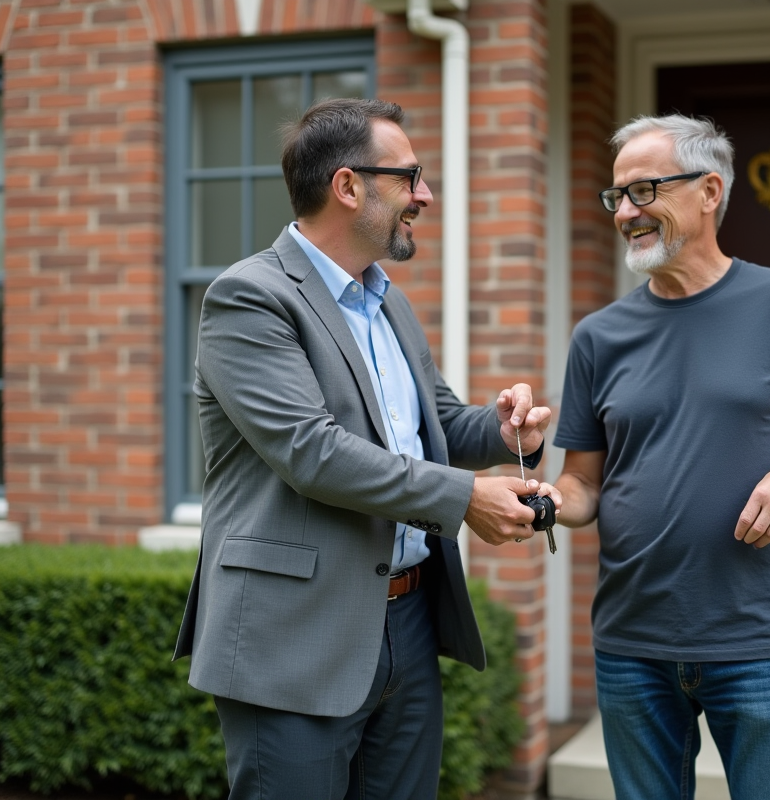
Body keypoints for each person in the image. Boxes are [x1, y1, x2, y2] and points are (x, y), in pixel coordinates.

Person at [172, 98, 556, 800]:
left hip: (408, 623)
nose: (424, 195)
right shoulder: (249, 298)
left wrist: (502, 432)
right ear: (348, 186)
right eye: (409, 177)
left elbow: (434, 423)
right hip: (293, 637)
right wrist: (464, 499)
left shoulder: (388, 301)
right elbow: (311, 452)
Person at [538, 114, 770, 799]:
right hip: (631, 641)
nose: (625, 212)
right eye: (616, 196)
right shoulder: (598, 337)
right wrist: (548, 503)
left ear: (709, 191)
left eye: (643, 191)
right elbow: (583, 484)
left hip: (756, 639)